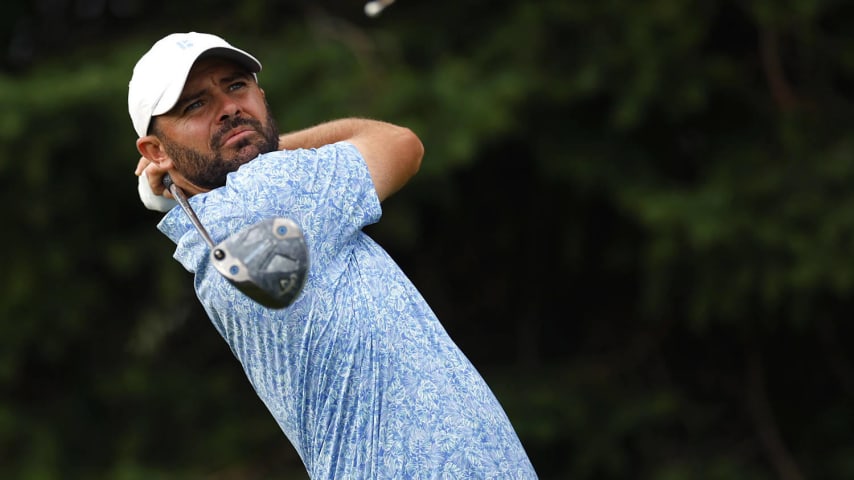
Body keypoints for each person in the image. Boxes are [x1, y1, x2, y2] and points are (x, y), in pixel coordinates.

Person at [129, 31, 537, 478]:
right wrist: (261, 140)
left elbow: (190, 191)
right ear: (156, 152)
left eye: (236, 86)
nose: (229, 108)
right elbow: (400, 143)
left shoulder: (206, 230)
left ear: (260, 95)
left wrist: (181, 172)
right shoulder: (273, 196)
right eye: (195, 106)